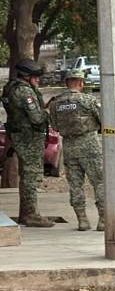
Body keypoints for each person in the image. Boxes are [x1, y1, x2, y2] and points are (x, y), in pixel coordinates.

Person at [48, 70, 105, 231]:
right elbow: (104, 120)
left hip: (69, 146)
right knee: (99, 182)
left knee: (75, 185)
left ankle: (82, 220)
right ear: (81, 83)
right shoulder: (88, 100)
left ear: (66, 83)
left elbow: (55, 126)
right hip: (90, 145)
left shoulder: (56, 104)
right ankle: (102, 220)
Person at [1, 59, 52, 227]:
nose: (38, 80)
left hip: (18, 136)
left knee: (26, 176)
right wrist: (48, 112)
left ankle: (27, 213)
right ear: (26, 76)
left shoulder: (10, 88)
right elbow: (37, 118)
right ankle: (31, 214)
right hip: (29, 138)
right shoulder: (25, 92)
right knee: (31, 176)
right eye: (35, 77)